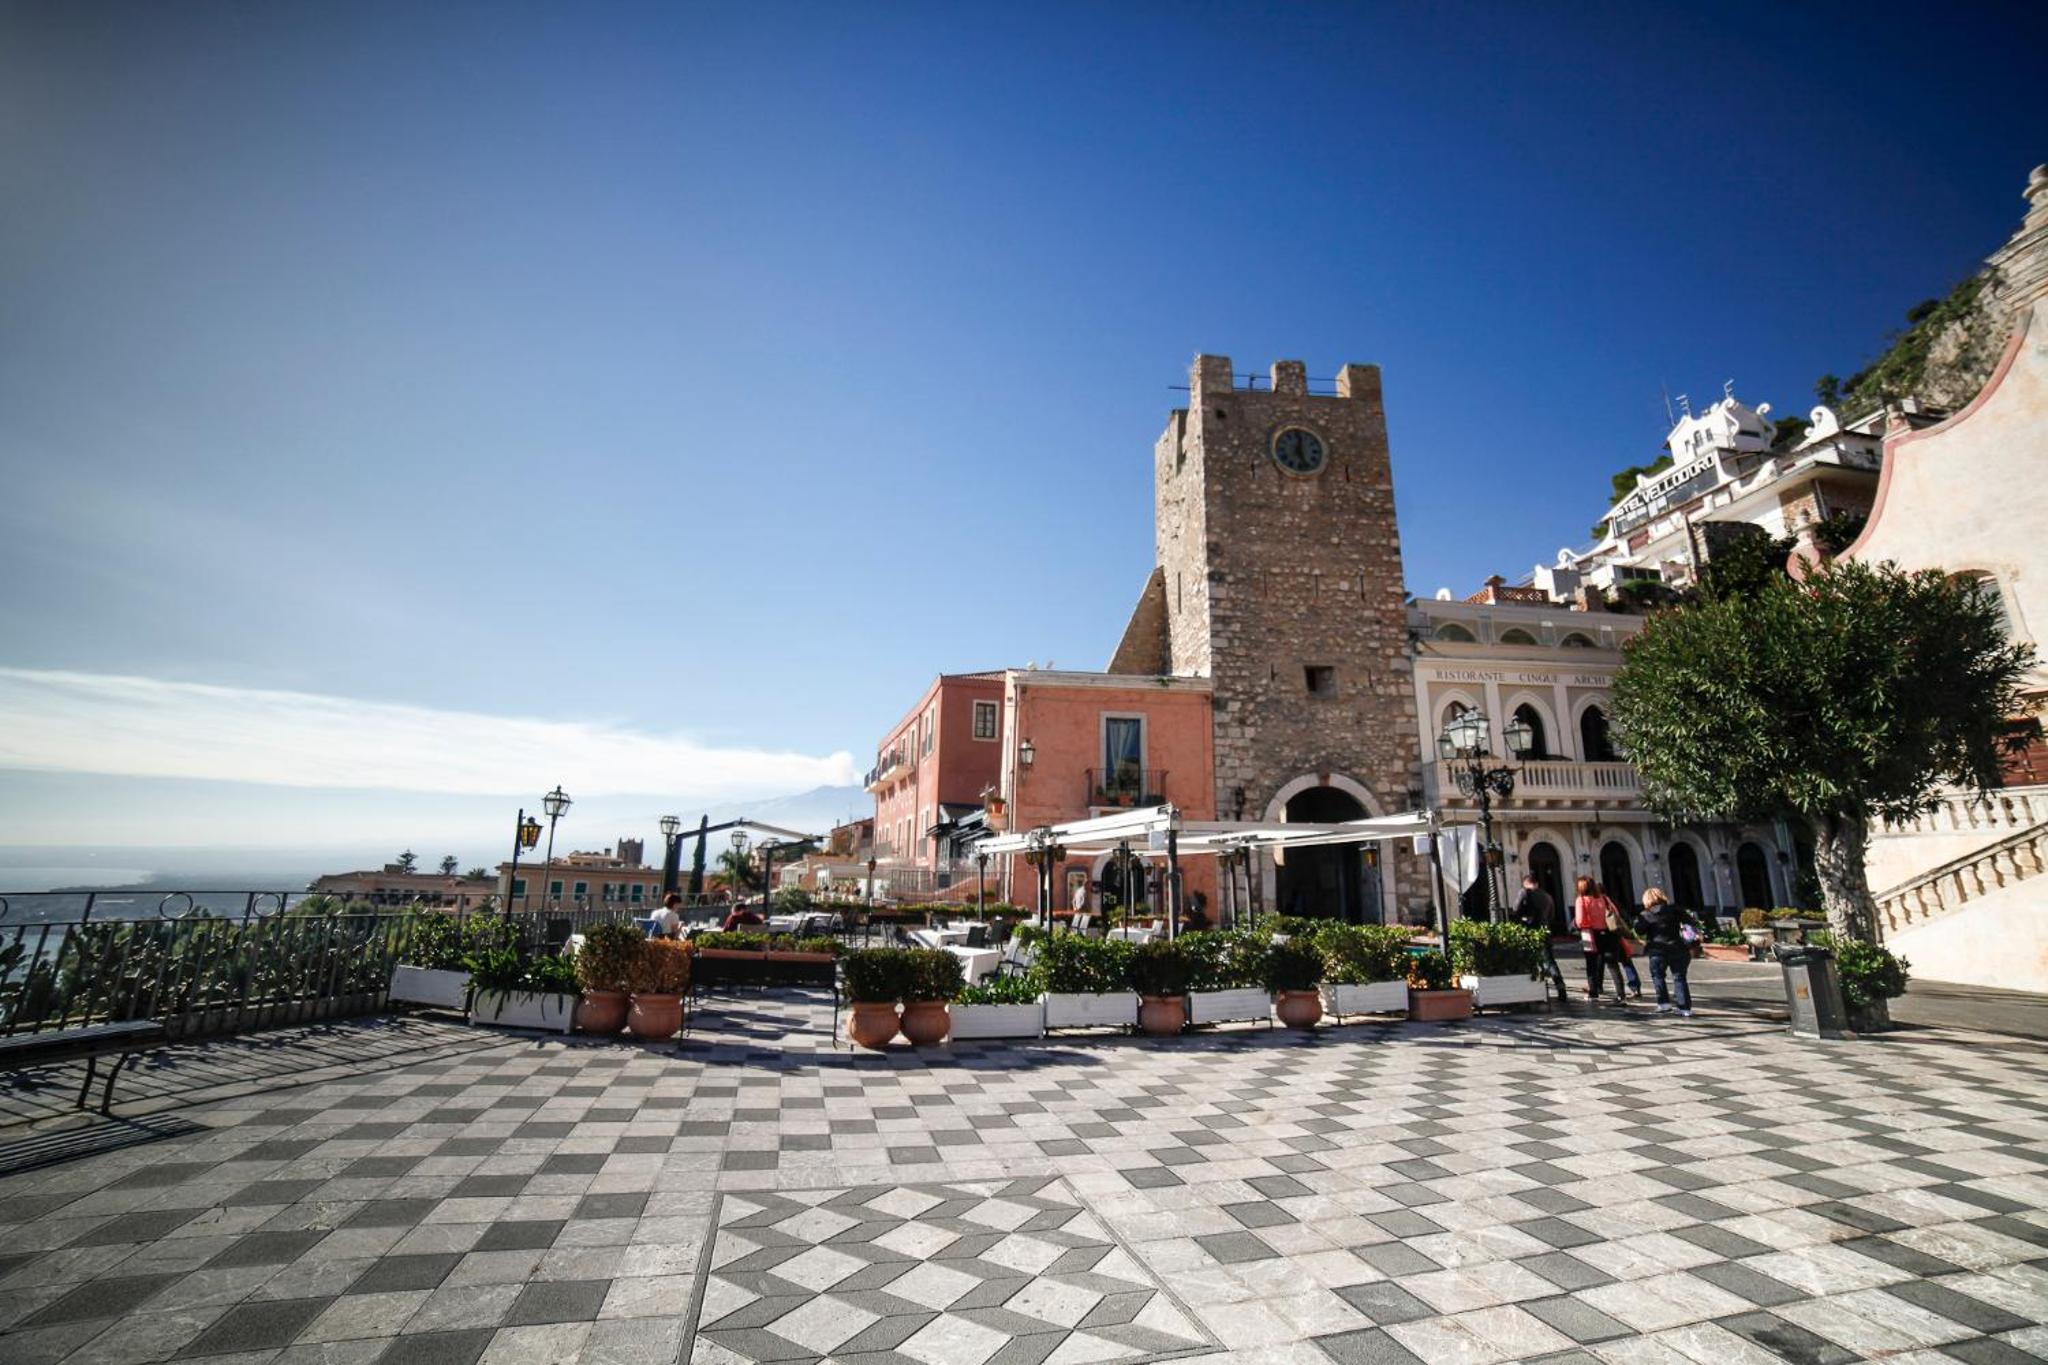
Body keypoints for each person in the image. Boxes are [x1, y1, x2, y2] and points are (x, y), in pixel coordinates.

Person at [1637, 888, 1696, 1016]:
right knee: (1679, 978)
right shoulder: (1674, 910)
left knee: (1658, 976)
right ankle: (1685, 1008)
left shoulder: (1646, 914)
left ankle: (1663, 1003)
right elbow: (1690, 921)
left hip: (1658, 950)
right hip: (1678, 947)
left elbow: (1639, 930)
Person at [1573, 876, 1630, 1002]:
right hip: (1609, 934)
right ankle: (1621, 994)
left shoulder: (1581, 900)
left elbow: (1580, 921)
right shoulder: (1604, 898)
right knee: (1613, 965)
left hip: (1591, 934)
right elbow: (1616, 914)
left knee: (1592, 964)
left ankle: (1594, 993)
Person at [1514, 875, 1568, 1000]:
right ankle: (1560, 987)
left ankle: (1534, 989)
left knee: (1529, 961)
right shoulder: (1547, 896)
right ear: (1537, 883)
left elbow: (1516, 908)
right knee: (1549, 961)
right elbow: (1552, 916)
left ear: (1525, 883)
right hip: (1545, 931)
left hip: (1530, 931)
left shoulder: (1524, 893)